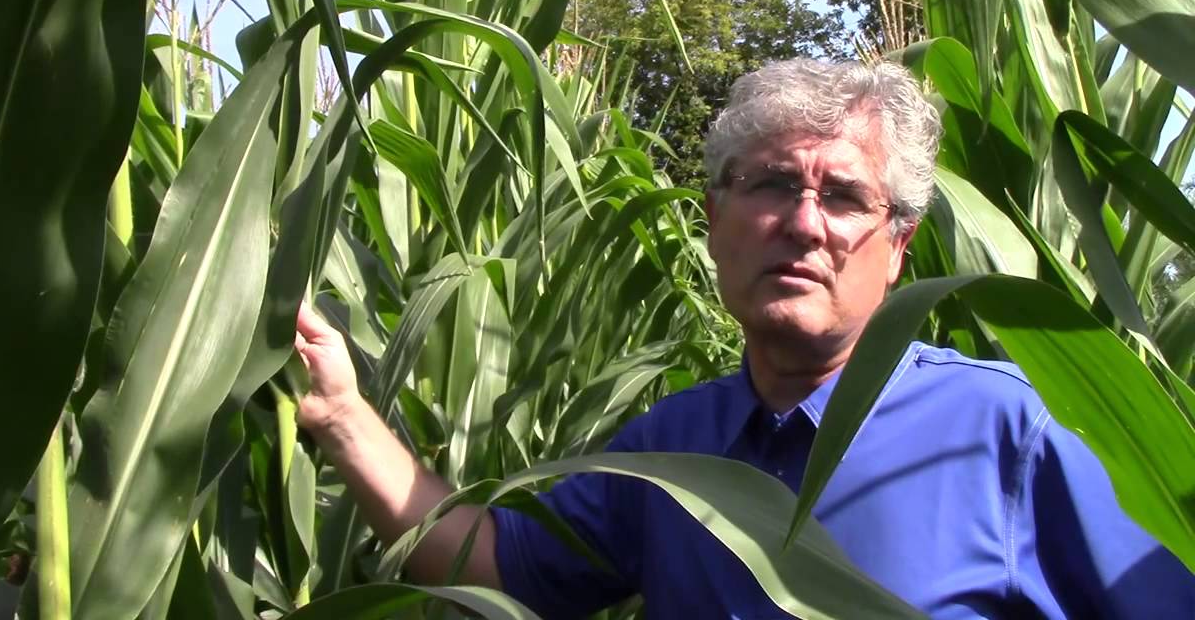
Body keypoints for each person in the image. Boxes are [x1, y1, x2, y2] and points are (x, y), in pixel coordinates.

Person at [294, 59, 1194, 618]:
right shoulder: (671, 451)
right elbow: (501, 567)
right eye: (769, 185)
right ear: (714, 221)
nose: (803, 223)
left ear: (898, 247)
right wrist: (342, 416)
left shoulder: (1010, 430)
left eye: (844, 197)